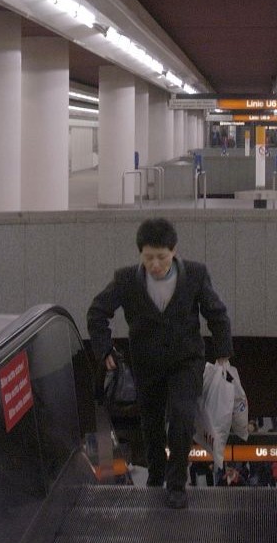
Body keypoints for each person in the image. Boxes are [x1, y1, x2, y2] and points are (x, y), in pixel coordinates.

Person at [87, 217, 232, 510]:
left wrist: (223, 354)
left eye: (162, 257)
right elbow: (97, 312)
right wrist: (104, 350)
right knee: (151, 425)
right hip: (147, 364)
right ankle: (155, 476)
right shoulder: (126, 279)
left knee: (180, 418)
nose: (155, 264)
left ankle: (177, 483)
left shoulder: (195, 274)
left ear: (174, 251)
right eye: (149, 257)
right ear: (140, 254)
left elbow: (217, 314)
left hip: (186, 361)